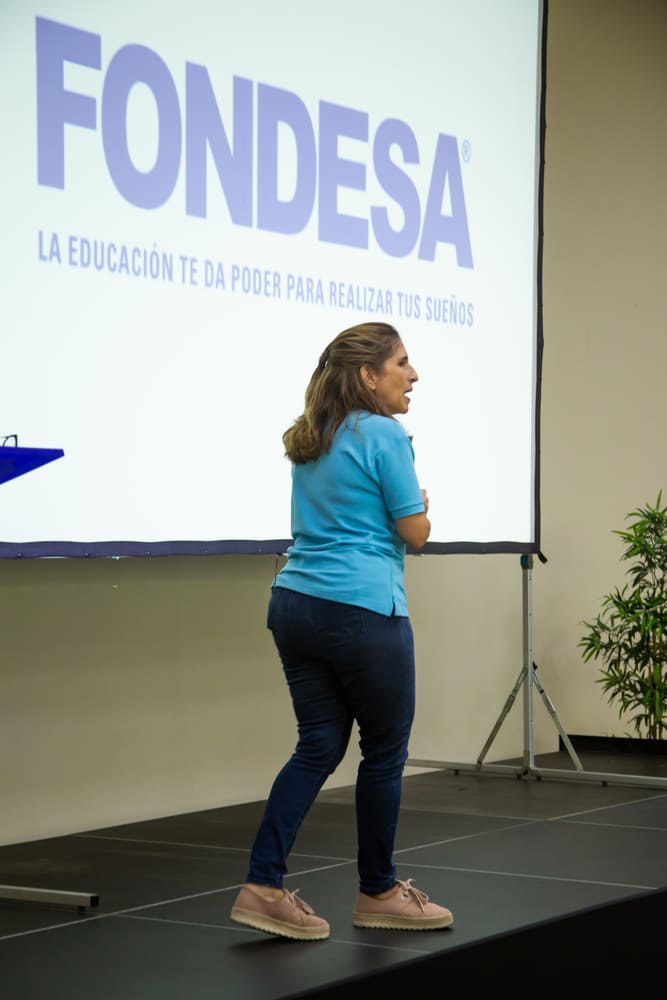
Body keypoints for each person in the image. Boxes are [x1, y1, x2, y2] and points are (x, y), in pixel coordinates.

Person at [230, 321, 453, 941]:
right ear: (368, 375)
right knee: (383, 752)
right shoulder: (384, 433)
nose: (413, 375)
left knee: (318, 745)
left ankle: (262, 885)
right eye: (402, 364)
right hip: (362, 609)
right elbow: (413, 533)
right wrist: (420, 507)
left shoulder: (314, 433)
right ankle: (379, 891)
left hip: (294, 603)